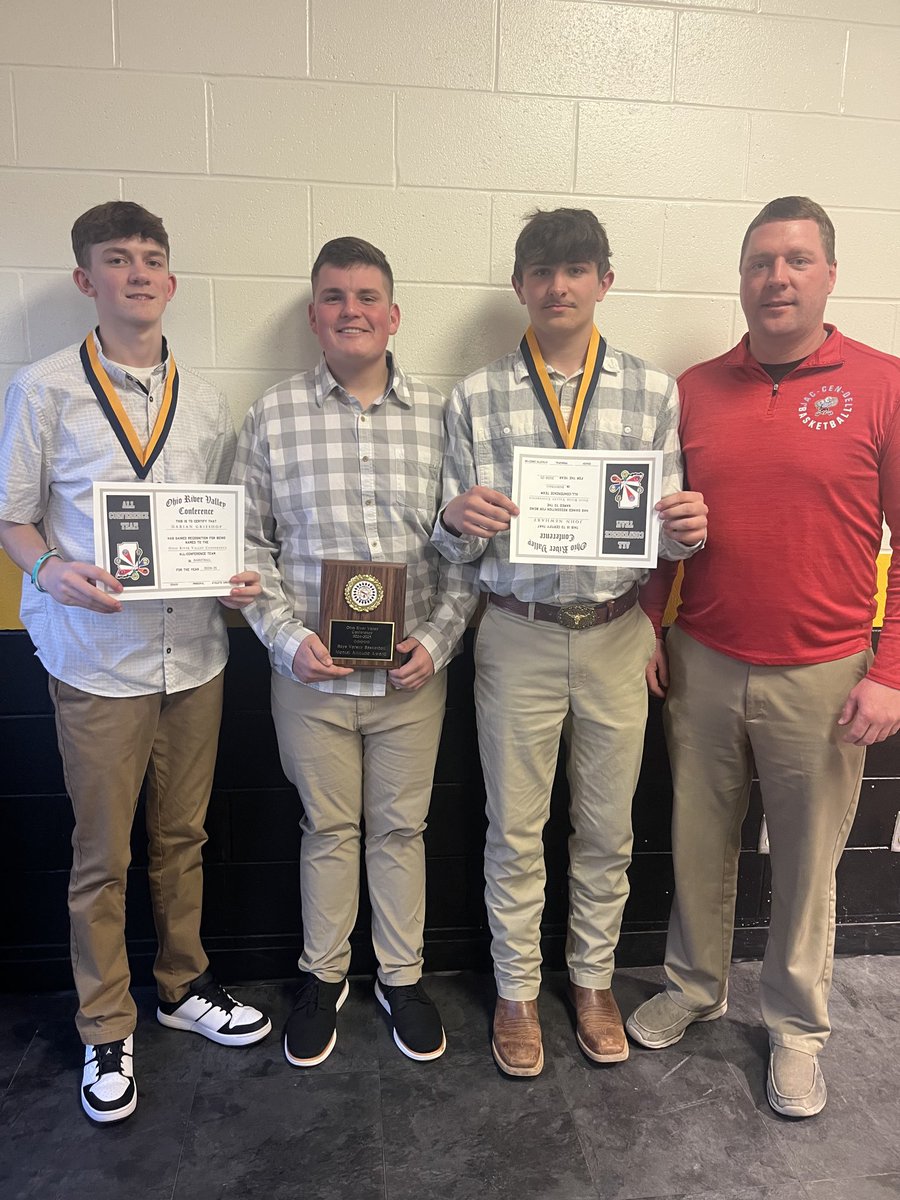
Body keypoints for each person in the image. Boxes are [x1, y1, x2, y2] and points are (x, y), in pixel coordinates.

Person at [627, 196, 900, 1119]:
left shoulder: (882, 384)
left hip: (824, 673)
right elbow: (666, 530)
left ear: (829, 275)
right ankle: (695, 988)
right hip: (702, 659)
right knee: (699, 843)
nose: (775, 278)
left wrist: (893, 670)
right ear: (740, 279)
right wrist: (651, 626)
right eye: (758, 262)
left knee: (806, 864)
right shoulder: (694, 389)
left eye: (794, 260)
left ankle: (795, 1029)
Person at [0, 202, 271, 1124]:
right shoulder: (43, 389)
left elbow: (224, 521)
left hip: (193, 654)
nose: (139, 274)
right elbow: (13, 516)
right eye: (118, 261)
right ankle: (104, 1023)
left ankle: (182, 986)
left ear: (171, 281)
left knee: (182, 841)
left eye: (153, 259)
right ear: (87, 281)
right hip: (97, 662)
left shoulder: (204, 399)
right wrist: (47, 567)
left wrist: (238, 576)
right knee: (100, 857)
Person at [431, 208, 707, 1076]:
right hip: (515, 632)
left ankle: (590, 980)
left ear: (604, 282)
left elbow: (665, 536)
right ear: (521, 286)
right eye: (542, 272)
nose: (559, 286)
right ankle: (516, 989)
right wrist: (455, 517)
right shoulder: (475, 395)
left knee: (607, 826)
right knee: (515, 826)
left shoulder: (653, 390)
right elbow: (451, 543)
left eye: (577, 269)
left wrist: (690, 531)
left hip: (618, 633)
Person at [232, 237, 477, 1068]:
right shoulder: (272, 417)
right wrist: (287, 638)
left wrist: (438, 643)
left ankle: (400, 978)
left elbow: (463, 551)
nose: (351, 310)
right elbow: (247, 545)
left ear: (394, 314)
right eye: (334, 296)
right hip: (312, 678)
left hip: (411, 677)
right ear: (314, 317)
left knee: (401, 829)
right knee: (328, 829)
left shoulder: (441, 419)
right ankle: (323, 975)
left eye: (367, 296)